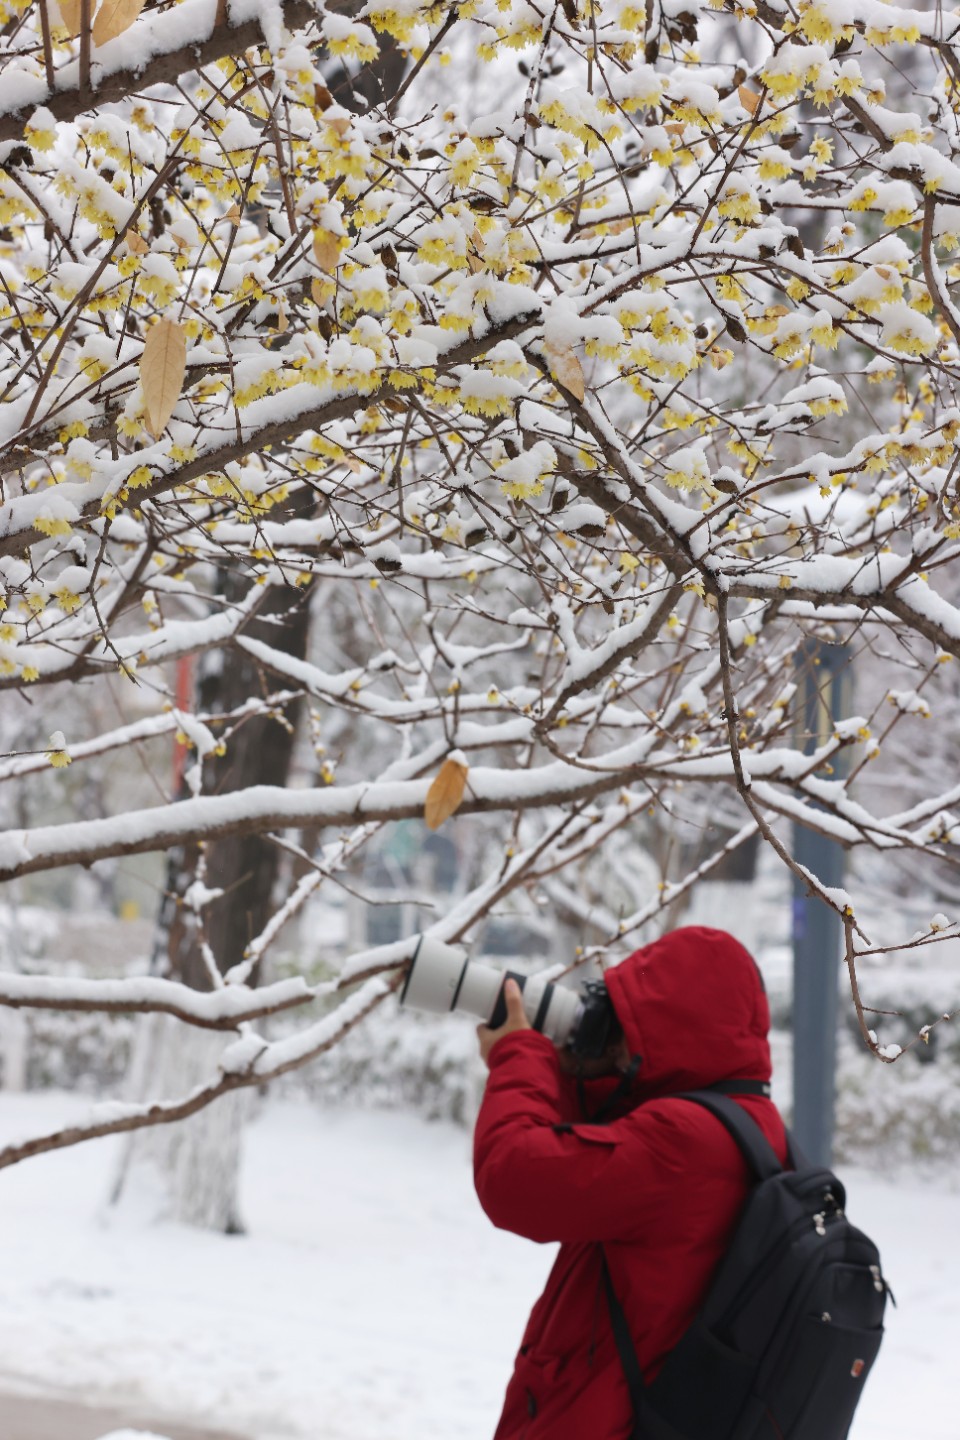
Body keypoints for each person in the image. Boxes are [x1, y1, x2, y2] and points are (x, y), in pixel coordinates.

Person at [473, 925, 788, 1440]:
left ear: (673, 1024)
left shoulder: (682, 1144)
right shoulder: (754, 1129)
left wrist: (516, 1054)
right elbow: (611, 1149)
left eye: (629, 1025)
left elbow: (512, 1178)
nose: (618, 1044)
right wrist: (577, 1069)